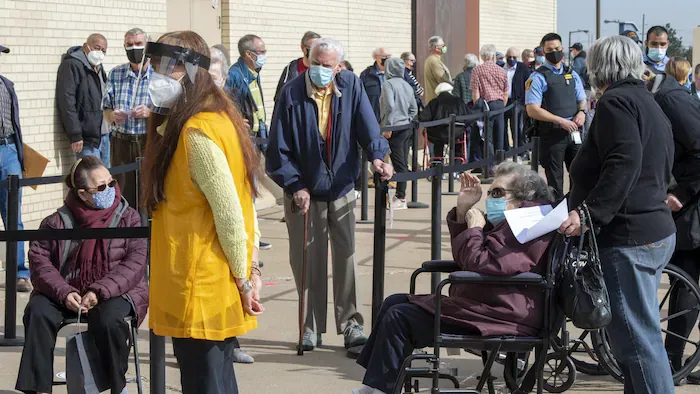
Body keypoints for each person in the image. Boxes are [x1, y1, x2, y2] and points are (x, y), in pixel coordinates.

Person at [353, 163, 554, 394]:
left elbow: (483, 262)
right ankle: (377, 384)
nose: (489, 199)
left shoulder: (528, 224)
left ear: (521, 198)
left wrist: (475, 229)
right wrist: (462, 210)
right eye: (490, 193)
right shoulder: (513, 222)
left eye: (497, 193)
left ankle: (379, 389)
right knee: (394, 302)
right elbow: (467, 258)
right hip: (485, 304)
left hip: (500, 313)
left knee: (399, 317)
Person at [142, 31, 263, 393]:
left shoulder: (197, 130)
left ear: (191, 70)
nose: (157, 76)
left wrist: (245, 276)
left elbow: (229, 211)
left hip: (201, 284)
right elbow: (243, 204)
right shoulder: (214, 117)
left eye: (166, 67)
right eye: (155, 66)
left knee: (205, 382)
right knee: (217, 381)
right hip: (206, 281)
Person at [561, 35, 677, 394]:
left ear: (598, 67)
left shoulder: (616, 102)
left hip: (630, 237)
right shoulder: (644, 99)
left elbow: (624, 162)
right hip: (649, 229)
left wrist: (589, 213)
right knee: (636, 344)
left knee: (637, 344)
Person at [267, 38, 392, 352]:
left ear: (339, 66)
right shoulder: (291, 92)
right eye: (317, 63)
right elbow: (277, 149)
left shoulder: (350, 85)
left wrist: (378, 156)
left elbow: (367, 127)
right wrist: (295, 185)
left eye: (329, 65)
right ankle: (310, 327)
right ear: (308, 61)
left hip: (341, 188)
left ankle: (351, 326)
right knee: (307, 261)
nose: (322, 70)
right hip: (303, 191)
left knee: (346, 258)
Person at [16, 156, 148, 394]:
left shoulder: (129, 217)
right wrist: (64, 292)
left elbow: (135, 264)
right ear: (83, 193)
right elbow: (39, 262)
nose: (110, 189)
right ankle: (39, 388)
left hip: (115, 291)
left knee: (109, 320)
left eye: (111, 182)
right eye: (101, 187)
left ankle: (116, 385)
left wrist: (99, 290)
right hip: (69, 289)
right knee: (38, 311)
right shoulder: (57, 222)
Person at [647, 57, 700, 384]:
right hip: (688, 206)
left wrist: (681, 192)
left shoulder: (672, 99)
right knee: (685, 284)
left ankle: (673, 362)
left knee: (686, 284)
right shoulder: (675, 98)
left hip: (691, 206)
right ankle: (673, 362)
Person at [208, 45, 258, 365]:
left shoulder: (233, 109)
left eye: (213, 75)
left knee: (236, 273)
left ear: (225, 76)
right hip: (203, 223)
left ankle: (231, 341)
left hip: (235, 207)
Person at [224, 34, 273, 251]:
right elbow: (225, 101)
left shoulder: (254, 73)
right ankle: (245, 236)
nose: (263, 56)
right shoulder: (235, 74)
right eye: (260, 52)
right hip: (245, 139)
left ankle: (252, 232)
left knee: (252, 188)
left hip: (258, 136)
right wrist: (235, 121)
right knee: (245, 188)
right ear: (248, 54)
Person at [525, 33, 587, 199]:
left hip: (574, 134)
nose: (555, 52)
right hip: (552, 135)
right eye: (550, 50)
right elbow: (532, 109)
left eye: (558, 49)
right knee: (555, 181)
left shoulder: (572, 74)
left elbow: (582, 99)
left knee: (580, 176)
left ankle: (576, 212)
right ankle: (557, 217)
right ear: (543, 52)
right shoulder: (538, 77)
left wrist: (582, 112)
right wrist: (559, 121)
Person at [102, 28, 152, 209]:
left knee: (148, 191)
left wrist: (149, 113)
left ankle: (148, 235)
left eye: (138, 44)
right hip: (121, 142)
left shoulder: (158, 76)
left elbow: (169, 112)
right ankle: (126, 234)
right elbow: (105, 111)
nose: (134, 48)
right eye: (129, 45)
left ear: (147, 46)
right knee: (123, 193)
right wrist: (112, 116)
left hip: (147, 141)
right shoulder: (116, 74)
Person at [0, 44, 30, 292]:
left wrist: (19, 154)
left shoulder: (6, 85)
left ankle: (20, 273)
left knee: (13, 216)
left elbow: (14, 123)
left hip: (8, 150)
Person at [56, 33, 110, 165]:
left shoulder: (98, 68)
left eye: (103, 50)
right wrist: (75, 134)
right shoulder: (72, 65)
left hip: (104, 134)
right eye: (97, 48)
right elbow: (67, 100)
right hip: (87, 137)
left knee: (106, 179)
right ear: (86, 46)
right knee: (91, 179)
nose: (100, 53)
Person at [380, 57, 418, 210]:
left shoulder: (388, 84)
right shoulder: (407, 85)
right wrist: (406, 119)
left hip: (393, 128)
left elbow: (389, 106)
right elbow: (414, 109)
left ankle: (400, 197)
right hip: (406, 127)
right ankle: (400, 195)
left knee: (398, 163)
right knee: (402, 161)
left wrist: (388, 126)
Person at [470, 44, 508, 152]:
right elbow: (505, 92)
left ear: (482, 56)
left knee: (487, 136)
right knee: (499, 133)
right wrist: (502, 105)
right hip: (500, 104)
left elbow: (475, 93)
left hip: (486, 104)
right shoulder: (502, 71)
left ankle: (489, 164)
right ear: (493, 56)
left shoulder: (476, 70)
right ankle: (499, 161)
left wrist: (477, 107)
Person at [420, 83, 469, 162]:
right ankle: (457, 163)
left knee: (433, 137)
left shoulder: (433, 102)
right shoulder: (459, 101)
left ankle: (436, 162)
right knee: (459, 137)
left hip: (438, 134)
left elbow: (423, 118)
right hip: (456, 133)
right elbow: (468, 117)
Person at [274, 31, 321, 101]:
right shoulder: (291, 69)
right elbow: (280, 96)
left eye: (318, 48)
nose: (315, 52)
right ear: (303, 48)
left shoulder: (323, 70)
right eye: (312, 48)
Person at [503, 47, 531, 152]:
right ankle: (505, 149)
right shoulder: (501, 68)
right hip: (504, 102)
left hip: (517, 102)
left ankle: (520, 150)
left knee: (517, 128)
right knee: (503, 127)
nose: (511, 59)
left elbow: (528, 84)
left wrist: (524, 101)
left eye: (514, 57)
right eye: (509, 57)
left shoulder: (522, 68)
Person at [360, 47, 391, 123]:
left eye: (389, 57)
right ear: (376, 57)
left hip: (391, 119)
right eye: (384, 57)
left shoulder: (395, 74)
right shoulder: (366, 75)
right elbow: (360, 97)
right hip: (373, 117)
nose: (387, 59)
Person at [423, 36, 451, 104]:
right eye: (443, 45)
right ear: (437, 48)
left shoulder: (433, 60)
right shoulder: (434, 61)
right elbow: (443, 80)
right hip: (437, 101)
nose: (445, 47)